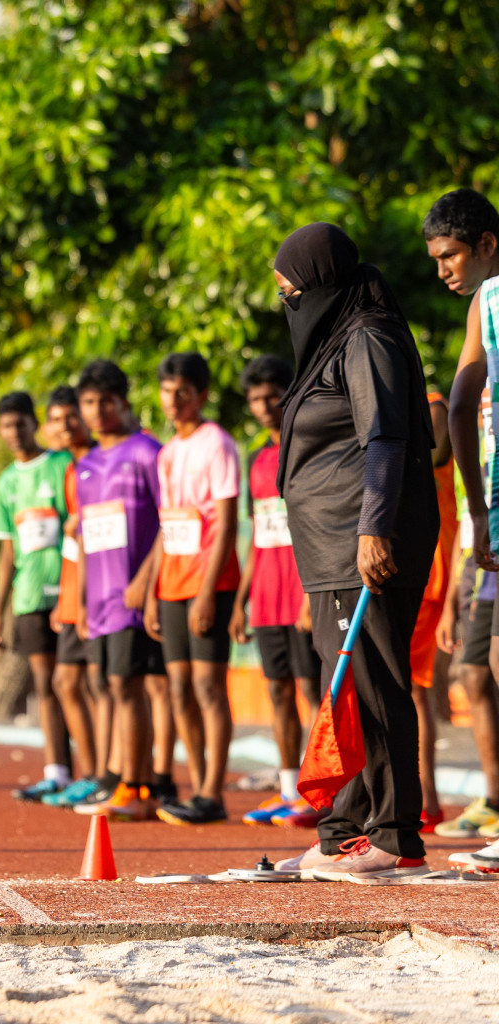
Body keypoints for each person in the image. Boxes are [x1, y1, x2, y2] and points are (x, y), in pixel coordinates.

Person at [271, 222, 438, 882]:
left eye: (291, 290)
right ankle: (344, 829)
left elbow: (387, 439)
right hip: (329, 546)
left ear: (319, 285)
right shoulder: (335, 341)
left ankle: (395, 835)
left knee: (374, 685)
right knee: (341, 690)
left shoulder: (367, 337)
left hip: (357, 542)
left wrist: (373, 529)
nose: (286, 301)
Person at [145, 353, 241, 826]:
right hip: (171, 584)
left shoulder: (216, 444)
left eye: (183, 391)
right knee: (179, 687)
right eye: (167, 391)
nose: (173, 400)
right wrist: (151, 592)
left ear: (201, 395)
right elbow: (168, 527)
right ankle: (197, 786)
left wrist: (206, 591)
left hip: (210, 583)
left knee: (208, 686)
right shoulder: (166, 453)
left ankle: (213, 791)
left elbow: (225, 524)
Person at [229, 355, 324, 827]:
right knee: (279, 693)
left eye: (273, 396)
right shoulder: (255, 459)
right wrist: (241, 599)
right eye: (256, 399)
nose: (265, 406)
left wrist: (312, 591)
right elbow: (258, 533)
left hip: (304, 594)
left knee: (312, 690)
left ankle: (319, 790)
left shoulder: (307, 445)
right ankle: (288, 789)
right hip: (265, 597)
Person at [434, 188, 499, 843]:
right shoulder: (483, 301)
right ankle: (494, 797)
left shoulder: (489, 302)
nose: (442, 270)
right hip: (489, 515)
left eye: (451, 255)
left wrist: (478, 509)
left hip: (493, 511)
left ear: (487, 244)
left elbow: (457, 405)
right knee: (477, 667)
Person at [73, 360, 165, 822]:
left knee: (129, 687)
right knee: (112, 687)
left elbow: (171, 521)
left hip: (135, 596)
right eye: (88, 402)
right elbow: (89, 537)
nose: (97, 410)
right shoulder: (84, 466)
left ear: (123, 403)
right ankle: (132, 781)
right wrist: (86, 599)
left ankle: (139, 785)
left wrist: (145, 581)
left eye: (105, 401)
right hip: (101, 600)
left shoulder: (148, 452)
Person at [0, 391, 80, 801]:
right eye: (6, 426)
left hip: (70, 590)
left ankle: (94, 771)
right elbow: (8, 551)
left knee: (76, 682)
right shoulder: (6, 483)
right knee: (45, 684)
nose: (14, 432)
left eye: (21, 423)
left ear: (34, 424)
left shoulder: (62, 465)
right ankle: (57, 771)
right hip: (28, 598)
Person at [40, 386, 107, 808]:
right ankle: (92, 771)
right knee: (67, 682)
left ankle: (104, 773)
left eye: (71, 417)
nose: (64, 426)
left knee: (97, 685)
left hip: (97, 590)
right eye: (57, 418)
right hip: (72, 589)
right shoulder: (69, 468)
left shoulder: (97, 463)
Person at [408, 390, 457, 831]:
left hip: (435, 573)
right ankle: (423, 799)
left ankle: (427, 799)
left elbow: (437, 443)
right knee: (410, 689)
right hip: (411, 569)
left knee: (415, 689)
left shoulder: (433, 405)